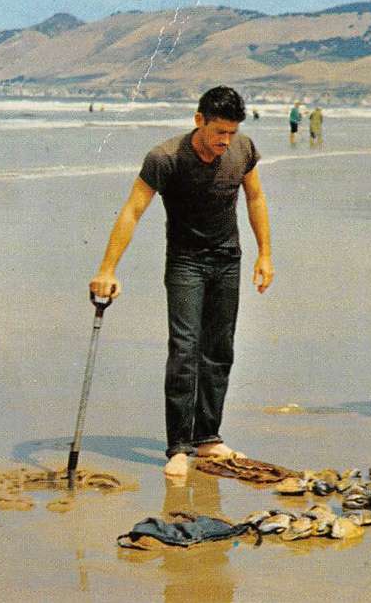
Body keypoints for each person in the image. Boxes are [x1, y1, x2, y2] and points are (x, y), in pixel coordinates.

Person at [88, 86, 274, 478]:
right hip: (186, 263)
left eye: (232, 132)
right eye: (219, 131)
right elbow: (133, 210)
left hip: (228, 260)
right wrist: (107, 269)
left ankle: (207, 437)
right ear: (198, 120)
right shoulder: (165, 158)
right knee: (185, 348)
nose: (225, 140)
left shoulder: (243, 150)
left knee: (220, 349)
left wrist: (265, 254)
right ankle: (178, 446)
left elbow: (255, 198)